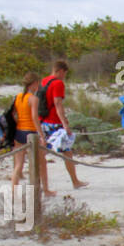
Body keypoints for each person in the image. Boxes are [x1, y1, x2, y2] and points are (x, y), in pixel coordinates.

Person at [39, 60, 87, 190]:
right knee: (67, 152)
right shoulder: (58, 83)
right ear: (60, 71)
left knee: (41, 153)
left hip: (43, 121)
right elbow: (58, 103)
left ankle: (42, 185)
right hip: (54, 123)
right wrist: (64, 124)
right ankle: (75, 181)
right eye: (64, 73)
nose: (64, 76)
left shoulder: (43, 81)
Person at [9, 73, 56, 198]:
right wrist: (41, 135)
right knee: (42, 163)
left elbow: (13, 114)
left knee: (18, 164)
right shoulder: (33, 99)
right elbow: (35, 117)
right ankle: (45, 189)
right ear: (34, 83)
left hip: (19, 132)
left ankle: (14, 192)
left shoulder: (18, 97)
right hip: (31, 132)